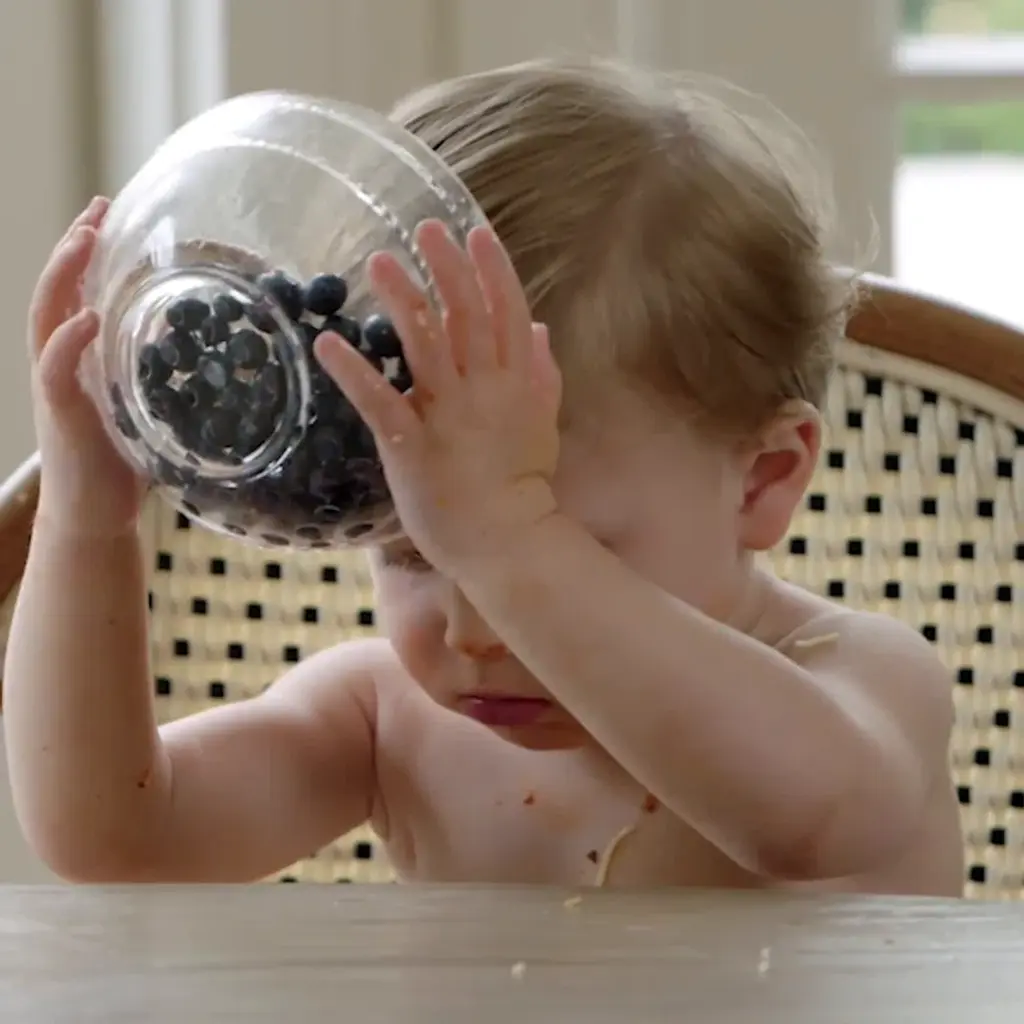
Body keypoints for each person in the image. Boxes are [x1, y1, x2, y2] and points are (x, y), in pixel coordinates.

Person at [4, 57, 964, 893]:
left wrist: (503, 538)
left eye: (567, 545)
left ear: (763, 480)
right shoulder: (384, 721)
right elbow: (120, 840)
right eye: (412, 549)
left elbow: (812, 827)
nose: (476, 629)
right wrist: (87, 522)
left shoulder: (856, 676)